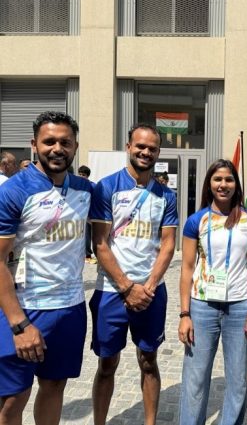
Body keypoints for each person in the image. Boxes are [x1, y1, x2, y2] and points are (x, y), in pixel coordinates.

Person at [0, 111, 92, 424]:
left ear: (75, 146)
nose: (57, 148)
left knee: (54, 385)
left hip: (69, 308)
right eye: (49, 141)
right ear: (34, 144)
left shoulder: (86, 190)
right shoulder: (14, 191)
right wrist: (19, 325)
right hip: (24, 310)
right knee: (13, 398)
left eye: (65, 142)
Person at [89, 123, 178, 425]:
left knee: (149, 361)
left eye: (152, 148)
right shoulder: (106, 187)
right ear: (128, 147)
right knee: (106, 364)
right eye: (140, 146)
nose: (145, 152)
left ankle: (149, 422)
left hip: (152, 291)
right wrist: (128, 287)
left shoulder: (166, 195)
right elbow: (100, 244)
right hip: (112, 291)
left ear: (158, 153)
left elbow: (168, 245)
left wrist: (149, 286)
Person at [178, 159, 247, 424]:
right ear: (209, 184)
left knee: (238, 381)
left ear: (236, 185)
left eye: (228, 179)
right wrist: (184, 313)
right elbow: (186, 267)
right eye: (217, 179)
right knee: (195, 379)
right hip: (202, 306)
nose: (223, 184)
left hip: (240, 307)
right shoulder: (196, 220)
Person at [78, 165, 97, 264]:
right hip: (79, 215)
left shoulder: (93, 186)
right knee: (83, 236)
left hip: (91, 215)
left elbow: (96, 200)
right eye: (80, 174)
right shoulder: (75, 186)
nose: (81, 176)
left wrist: (92, 215)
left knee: (93, 236)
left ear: (88, 176)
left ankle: (95, 254)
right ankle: (86, 255)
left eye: (83, 175)